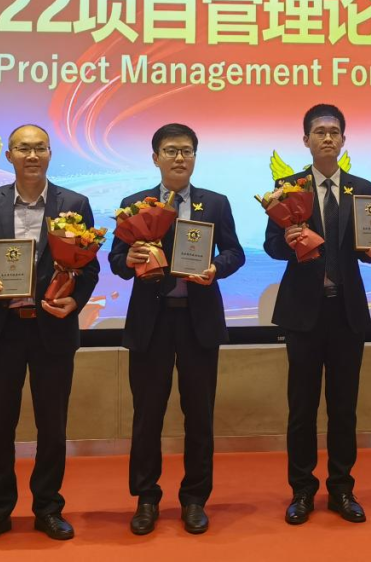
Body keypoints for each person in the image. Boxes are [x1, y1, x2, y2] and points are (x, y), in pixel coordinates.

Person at [0, 124, 100, 544]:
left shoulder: (74, 203)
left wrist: (76, 300)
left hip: (52, 328)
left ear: (51, 153)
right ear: (10, 155)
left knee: (52, 427)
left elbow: (89, 265)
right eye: (24, 148)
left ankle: (48, 508)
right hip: (2, 329)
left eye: (40, 148)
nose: (32, 156)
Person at [108, 123, 245, 535]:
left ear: (195, 157)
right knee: (147, 415)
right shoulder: (135, 204)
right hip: (151, 321)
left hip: (198, 320)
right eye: (170, 151)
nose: (179, 158)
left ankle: (195, 498)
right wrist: (130, 258)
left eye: (186, 151)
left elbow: (235, 252)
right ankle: (146, 498)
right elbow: (116, 261)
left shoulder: (215, 203)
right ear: (156, 158)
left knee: (199, 415)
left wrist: (215, 267)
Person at [263, 104, 371, 525]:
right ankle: (301, 490)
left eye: (334, 132)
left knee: (344, 408)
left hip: (346, 312)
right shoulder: (288, 187)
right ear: (306, 140)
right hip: (303, 313)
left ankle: (341, 489)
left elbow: (365, 248)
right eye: (319, 132)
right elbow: (271, 247)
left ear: (343, 139)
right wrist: (287, 239)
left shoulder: (361, 187)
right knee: (301, 409)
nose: (328, 138)